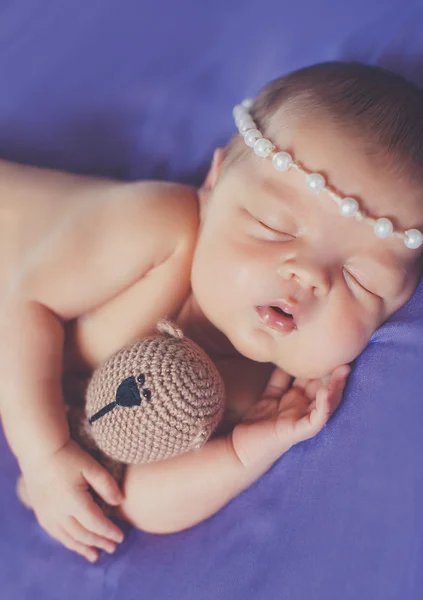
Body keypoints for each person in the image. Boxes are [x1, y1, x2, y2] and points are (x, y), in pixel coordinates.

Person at [1, 61, 422, 563]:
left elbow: (137, 501)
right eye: (275, 225)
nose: (310, 277)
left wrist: (247, 451)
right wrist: (45, 455)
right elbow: (25, 305)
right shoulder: (162, 228)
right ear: (214, 182)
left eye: (362, 280)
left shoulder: (256, 388)